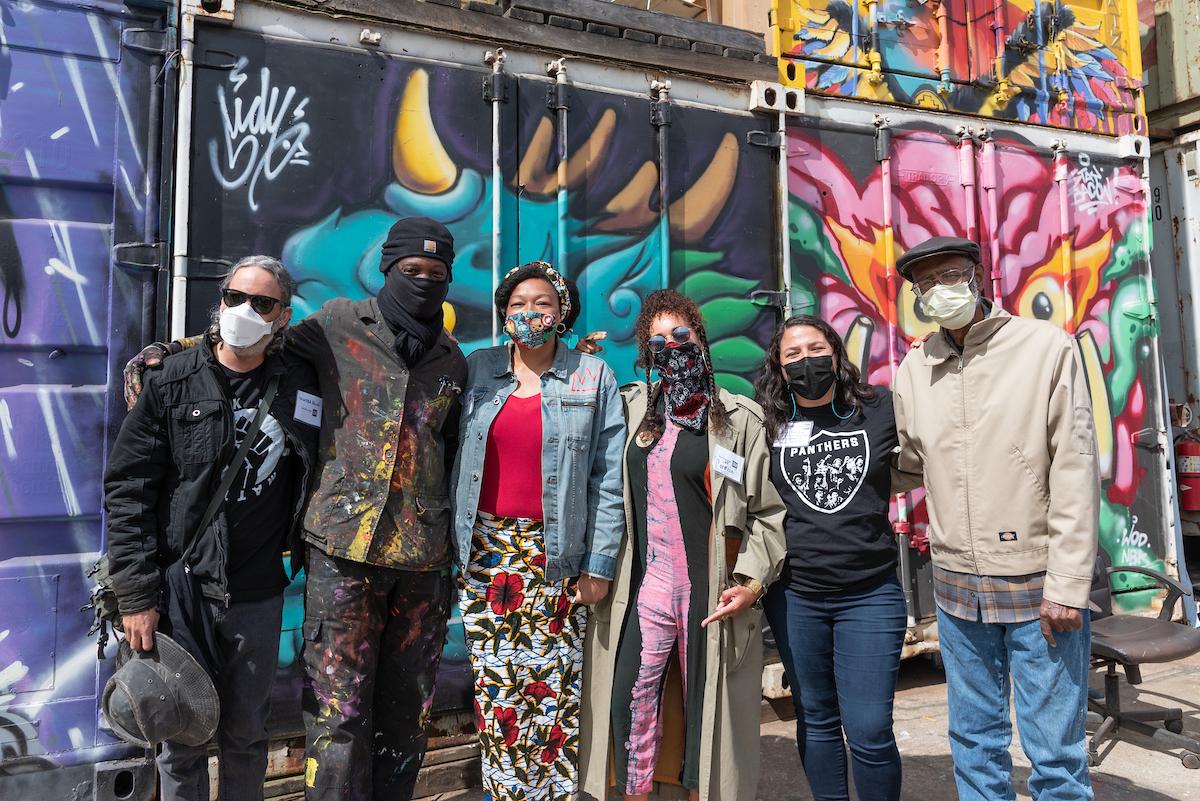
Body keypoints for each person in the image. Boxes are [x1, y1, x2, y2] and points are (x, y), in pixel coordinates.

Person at [122, 217, 468, 801]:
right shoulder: (336, 325)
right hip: (341, 552)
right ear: (387, 270)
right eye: (411, 270)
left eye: (437, 275)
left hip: (420, 560)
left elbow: (457, 452)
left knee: (407, 715)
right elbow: (251, 341)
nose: (423, 282)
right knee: (336, 717)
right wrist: (172, 350)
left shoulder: (452, 362)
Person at [104, 256, 320, 801]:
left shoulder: (299, 384)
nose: (244, 311)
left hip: (258, 591)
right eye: (234, 298)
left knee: (247, 737)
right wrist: (136, 595)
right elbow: (129, 490)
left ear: (283, 316)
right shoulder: (171, 381)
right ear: (219, 303)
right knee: (181, 739)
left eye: (262, 303)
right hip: (182, 592)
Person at [892, 236, 1100, 801]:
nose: (939, 291)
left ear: (979, 277)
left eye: (951, 275)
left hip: (1038, 588)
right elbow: (908, 462)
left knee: (1055, 753)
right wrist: (829, 464)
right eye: (925, 284)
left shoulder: (1044, 348)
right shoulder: (916, 365)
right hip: (957, 588)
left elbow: (1076, 472)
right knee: (975, 741)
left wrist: (1068, 584)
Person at [579, 289, 787, 801]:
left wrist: (751, 581)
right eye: (657, 342)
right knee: (630, 696)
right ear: (646, 355)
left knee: (705, 705)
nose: (671, 348)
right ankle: (634, 792)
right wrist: (576, 365)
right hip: (647, 586)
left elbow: (768, 512)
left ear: (700, 339)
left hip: (710, 589)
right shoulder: (630, 410)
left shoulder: (737, 420)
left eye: (681, 336)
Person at [451, 261, 625, 801]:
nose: (530, 313)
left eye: (542, 303)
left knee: (552, 693)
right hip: (484, 555)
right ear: (505, 315)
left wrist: (598, 568)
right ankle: (504, 794)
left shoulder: (593, 377)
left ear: (562, 312)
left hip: (553, 556)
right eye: (518, 304)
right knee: (497, 690)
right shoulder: (476, 370)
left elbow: (609, 477)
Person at [753, 315, 906, 801]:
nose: (806, 361)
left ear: (836, 353)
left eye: (815, 349)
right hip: (796, 596)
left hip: (871, 593)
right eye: (791, 355)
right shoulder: (766, 422)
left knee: (870, 728)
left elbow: (933, 453)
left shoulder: (879, 407)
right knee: (816, 720)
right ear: (778, 368)